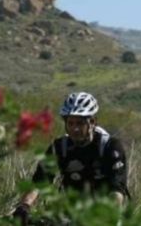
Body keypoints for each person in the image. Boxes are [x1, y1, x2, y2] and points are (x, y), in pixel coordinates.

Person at [13, 92, 130, 224]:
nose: (75, 129)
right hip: (70, 213)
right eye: (71, 123)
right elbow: (40, 181)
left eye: (80, 123)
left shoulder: (110, 147)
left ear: (92, 122)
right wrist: (24, 207)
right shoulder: (59, 147)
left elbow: (117, 190)